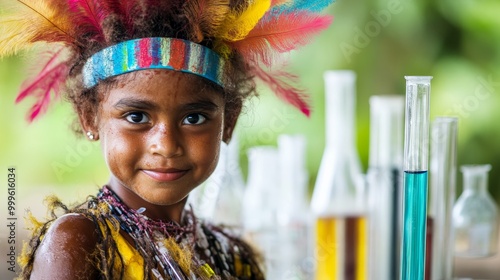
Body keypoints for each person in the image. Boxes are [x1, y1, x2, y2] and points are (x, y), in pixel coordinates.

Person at [0, 0, 333, 279]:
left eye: (194, 118)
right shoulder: (82, 244)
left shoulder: (229, 255)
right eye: (137, 117)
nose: (166, 144)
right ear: (91, 118)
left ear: (228, 122)